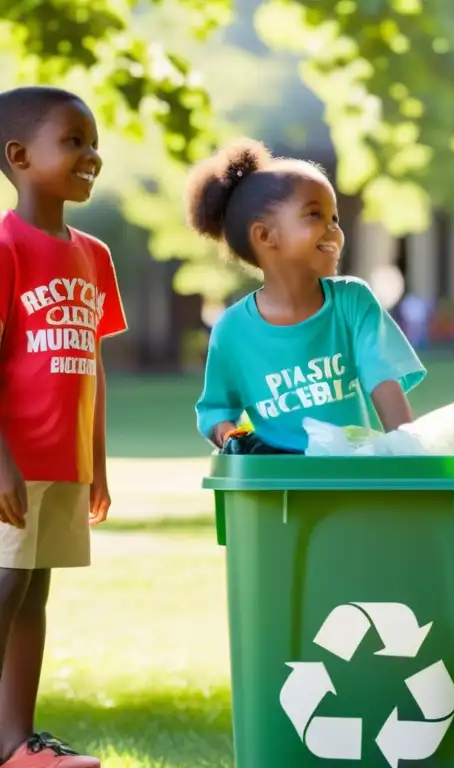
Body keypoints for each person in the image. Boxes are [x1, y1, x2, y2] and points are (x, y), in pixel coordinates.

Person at [0, 86, 127, 767]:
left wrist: (97, 462)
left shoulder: (94, 255)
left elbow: (92, 367)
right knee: (4, 585)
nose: (91, 155)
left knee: (35, 591)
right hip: (12, 462)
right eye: (73, 141)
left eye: (93, 141)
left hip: (63, 461)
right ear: (19, 157)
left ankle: (17, 744)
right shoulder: (4, 246)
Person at [188, 138, 424, 453]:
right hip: (280, 483)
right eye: (315, 215)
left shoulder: (352, 302)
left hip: (351, 474)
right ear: (265, 235)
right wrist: (231, 437)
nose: (334, 231)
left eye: (335, 219)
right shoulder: (231, 330)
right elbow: (217, 410)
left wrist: (411, 452)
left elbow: (382, 379)